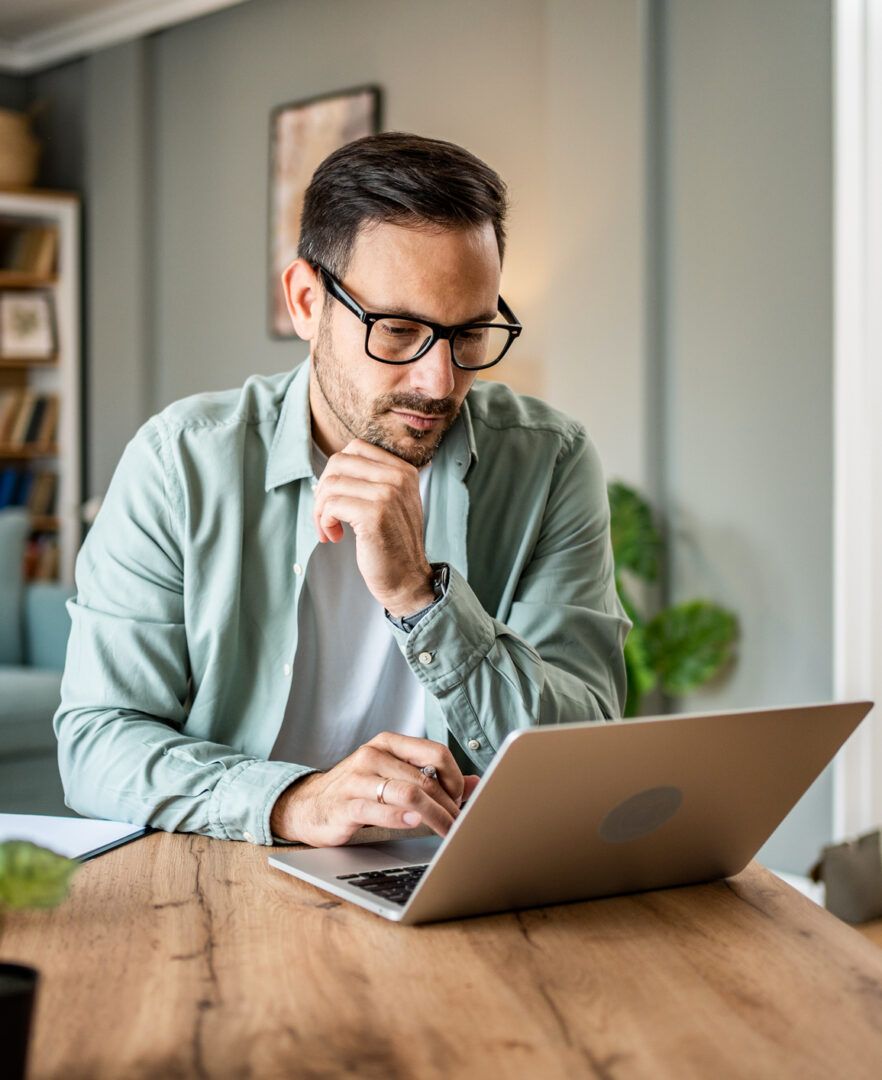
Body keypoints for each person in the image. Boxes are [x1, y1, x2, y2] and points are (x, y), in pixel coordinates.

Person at [54, 132, 629, 848]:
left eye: (470, 334)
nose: (439, 382)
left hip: (459, 879)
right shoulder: (180, 463)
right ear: (305, 301)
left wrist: (423, 599)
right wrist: (296, 800)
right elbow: (96, 741)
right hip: (235, 874)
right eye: (397, 330)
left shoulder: (550, 462)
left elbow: (581, 753)